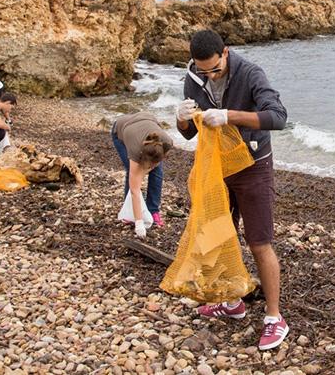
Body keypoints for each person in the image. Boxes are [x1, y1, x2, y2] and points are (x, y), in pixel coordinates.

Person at [176, 29, 290, 351]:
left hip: (253, 167)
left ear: (225, 53)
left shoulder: (251, 73)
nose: (210, 75)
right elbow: (186, 135)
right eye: (203, 71)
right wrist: (182, 120)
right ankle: (232, 301)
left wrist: (229, 117)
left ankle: (274, 317)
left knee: (259, 242)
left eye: (214, 68)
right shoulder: (193, 77)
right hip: (218, 168)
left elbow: (278, 117)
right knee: (218, 237)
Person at [111, 111, 174, 237]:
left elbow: (158, 160)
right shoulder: (135, 150)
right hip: (121, 130)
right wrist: (139, 223)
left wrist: (151, 167)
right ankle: (131, 214)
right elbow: (135, 190)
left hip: (147, 120)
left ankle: (153, 210)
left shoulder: (166, 142)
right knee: (133, 173)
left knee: (157, 172)